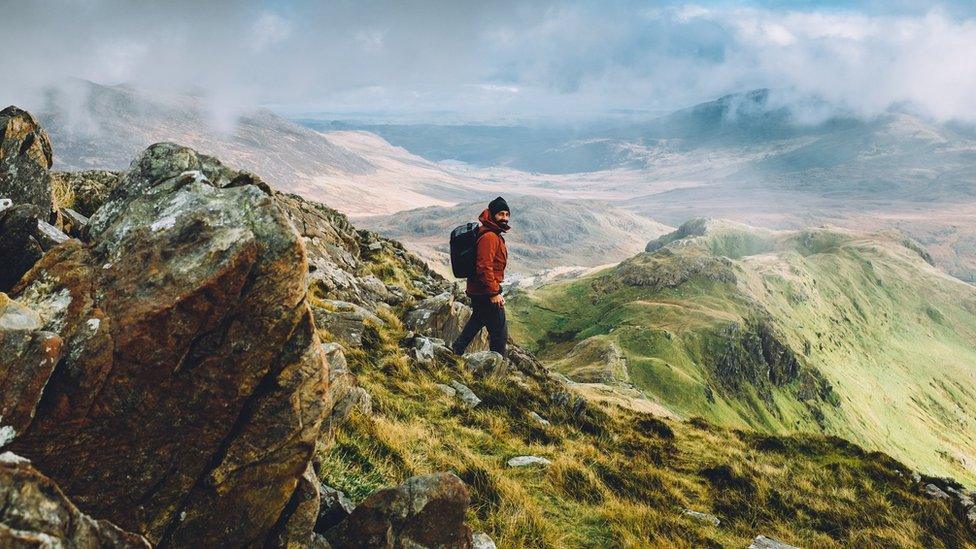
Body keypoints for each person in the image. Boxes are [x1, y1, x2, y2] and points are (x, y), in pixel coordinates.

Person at [452, 196, 510, 357]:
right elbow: (484, 267)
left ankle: (456, 351)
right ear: (492, 215)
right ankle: (496, 369)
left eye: (506, 214)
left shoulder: (492, 233)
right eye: (500, 214)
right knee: (500, 334)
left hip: (479, 290)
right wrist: (494, 293)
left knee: (477, 320)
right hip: (485, 292)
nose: (504, 218)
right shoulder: (490, 237)